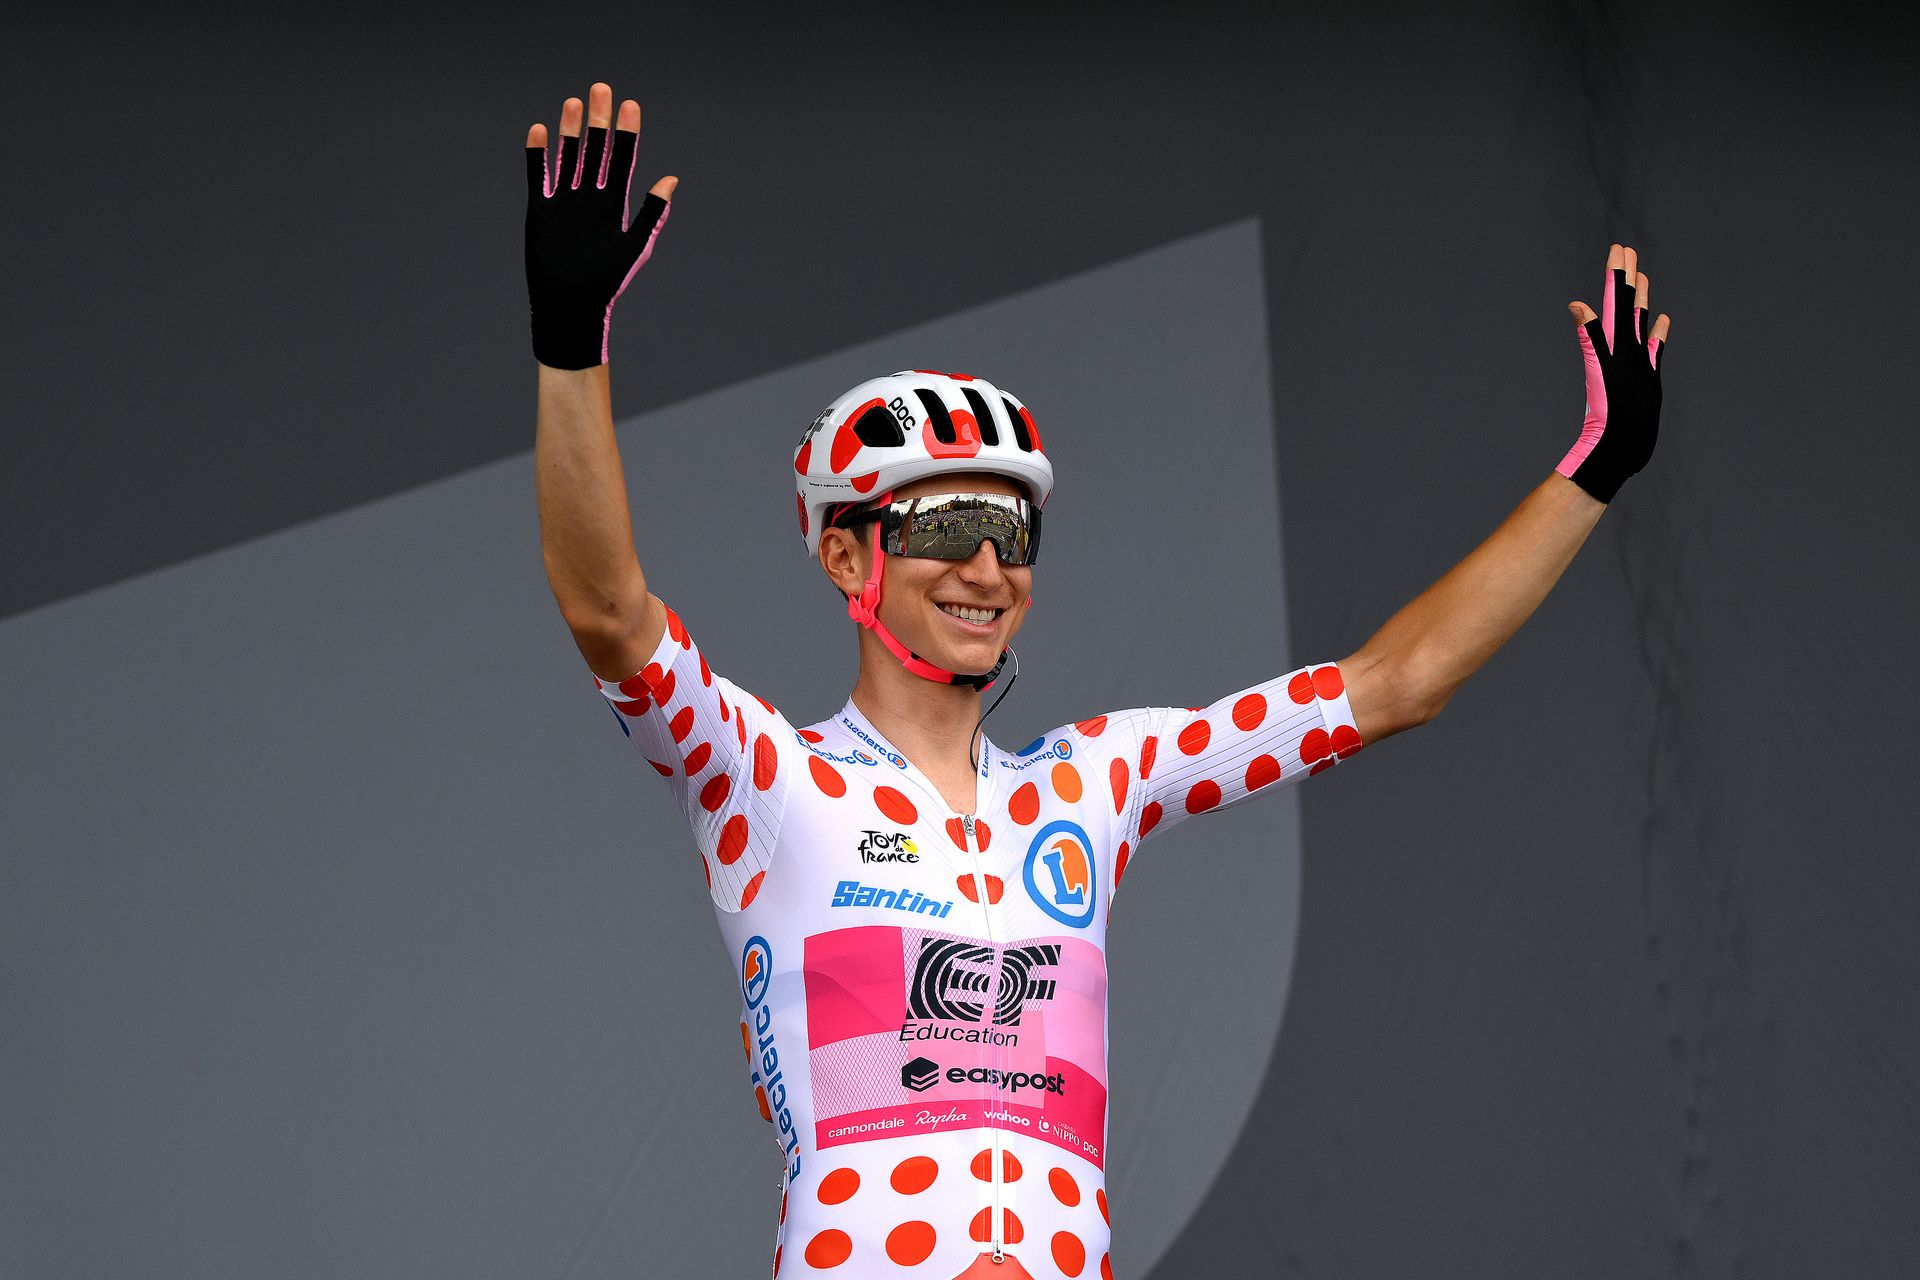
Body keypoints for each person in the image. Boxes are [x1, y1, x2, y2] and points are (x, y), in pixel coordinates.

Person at [525, 83, 1671, 1280]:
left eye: (1013, 534)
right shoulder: (767, 773)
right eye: (949, 524)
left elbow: (1393, 683)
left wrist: (1593, 474)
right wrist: (569, 345)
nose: (987, 567)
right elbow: (609, 612)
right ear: (846, 557)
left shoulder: (1092, 780)